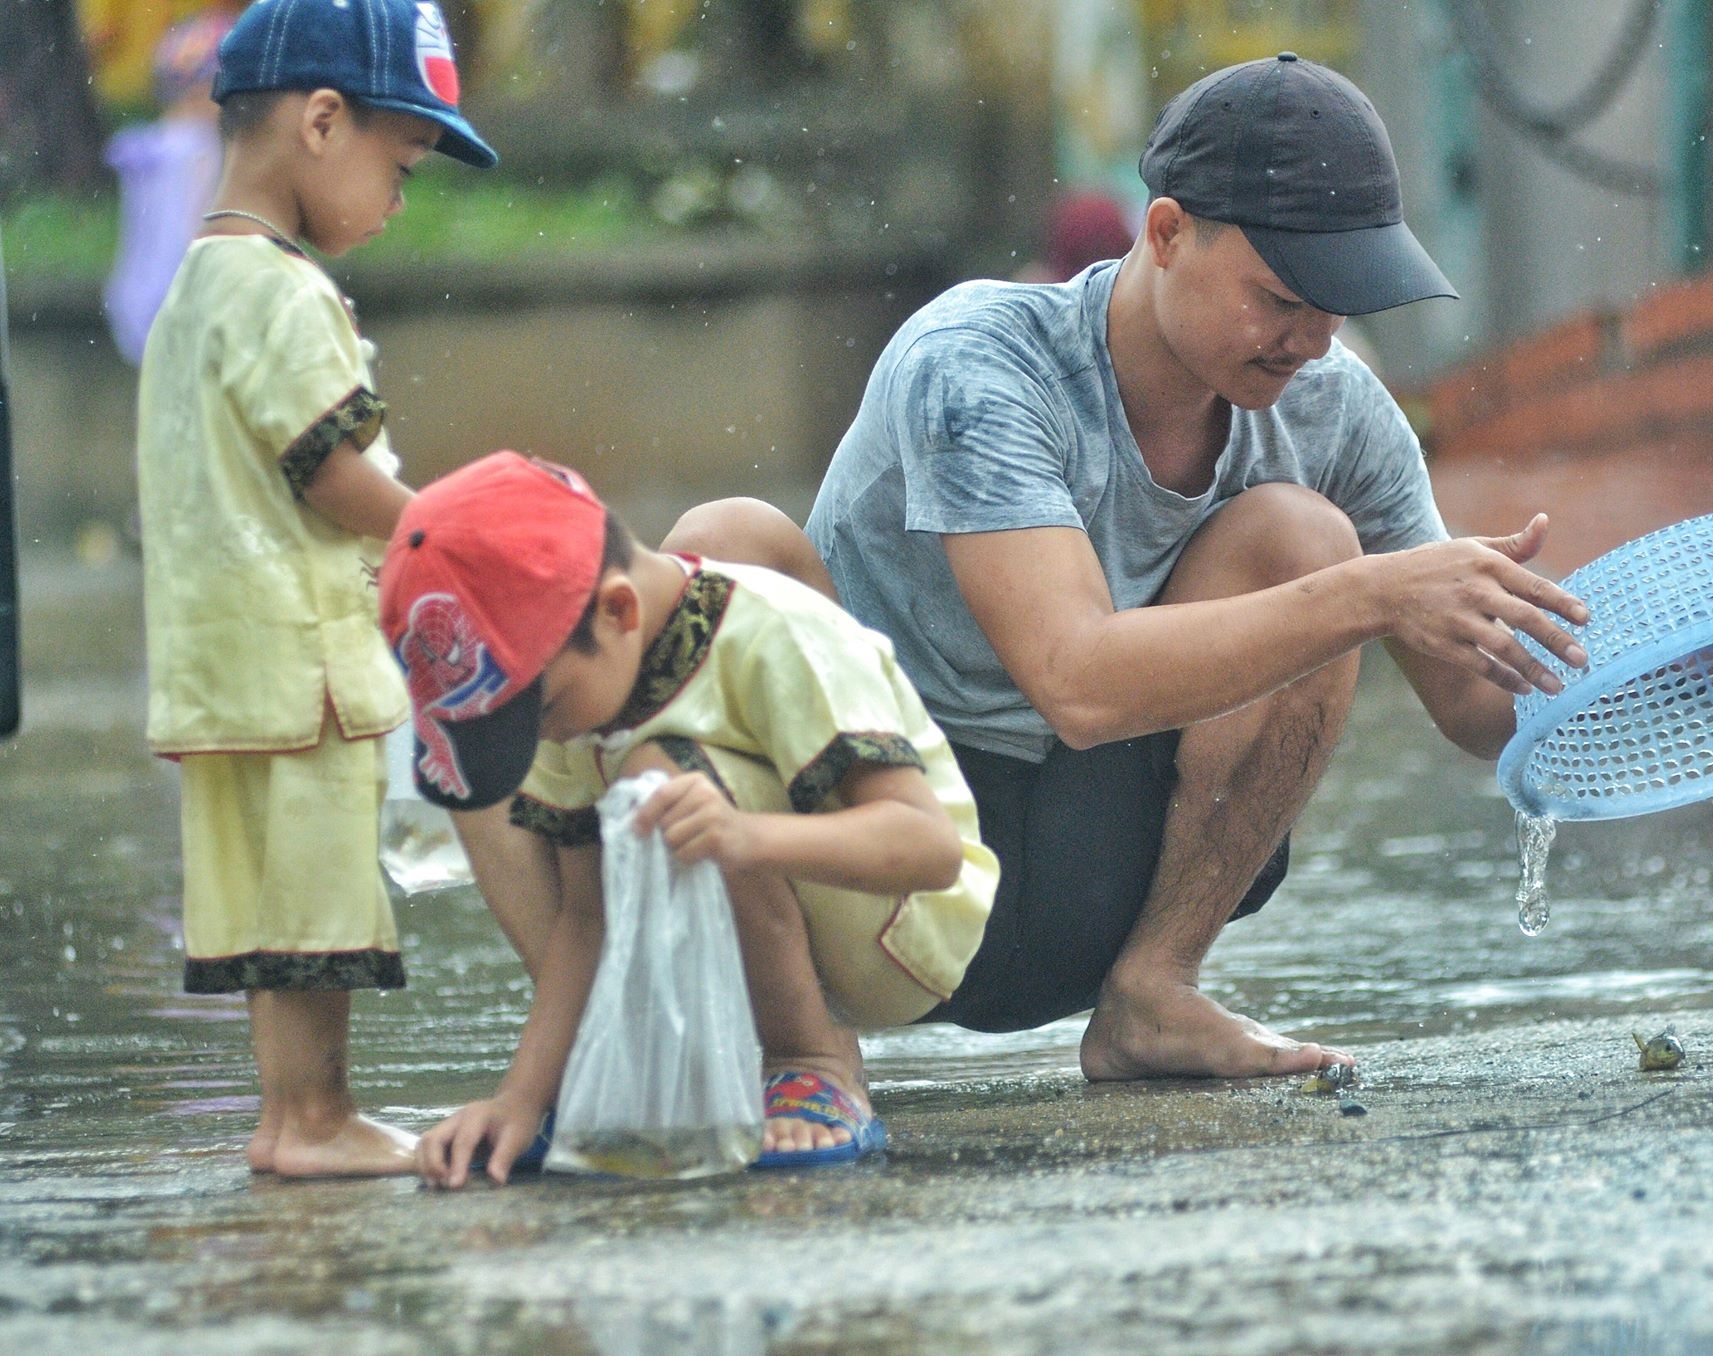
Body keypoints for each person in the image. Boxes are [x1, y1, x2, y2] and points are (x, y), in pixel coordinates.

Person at [803, 54, 1591, 1082]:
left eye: (1337, 306)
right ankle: (797, 1045)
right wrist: (1369, 593)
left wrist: (1706, 676)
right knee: (726, 544)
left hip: (1102, 873)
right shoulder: (977, 364)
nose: (1309, 341)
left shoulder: (1335, 409)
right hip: (889, 861)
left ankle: (1151, 995)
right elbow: (1075, 680)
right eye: (1279, 299)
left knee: (1302, 537)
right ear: (1166, 234)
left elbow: (1480, 707)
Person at [382, 454, 995, 1186]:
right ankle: (624, 1065)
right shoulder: (577, 693)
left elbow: (930, 850)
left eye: (539, 713)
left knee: (659, 774)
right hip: (761, 902)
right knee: (510, 790)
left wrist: (746, 838)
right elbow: (588, 917)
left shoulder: (775, 632)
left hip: (897, 928)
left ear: (617, 611)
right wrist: (520, 1099)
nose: (543, 734)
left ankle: (811, 1061)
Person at [135, 0, 496, 1176]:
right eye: (400, 166)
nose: (397, 202)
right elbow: (330, 467)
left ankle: (287, 1114)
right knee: (319, 905)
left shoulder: (194, 283)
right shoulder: (283, 290)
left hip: (216, 669)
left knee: (264, 910)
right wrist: (453, 537)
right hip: (304, 669)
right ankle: (317, 1118)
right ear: (323, 122)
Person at [102, 8, 235, 365]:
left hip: (139, 286)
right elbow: (198, 222)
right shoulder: (200, 149)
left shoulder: (147, 146)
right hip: (183, 286)